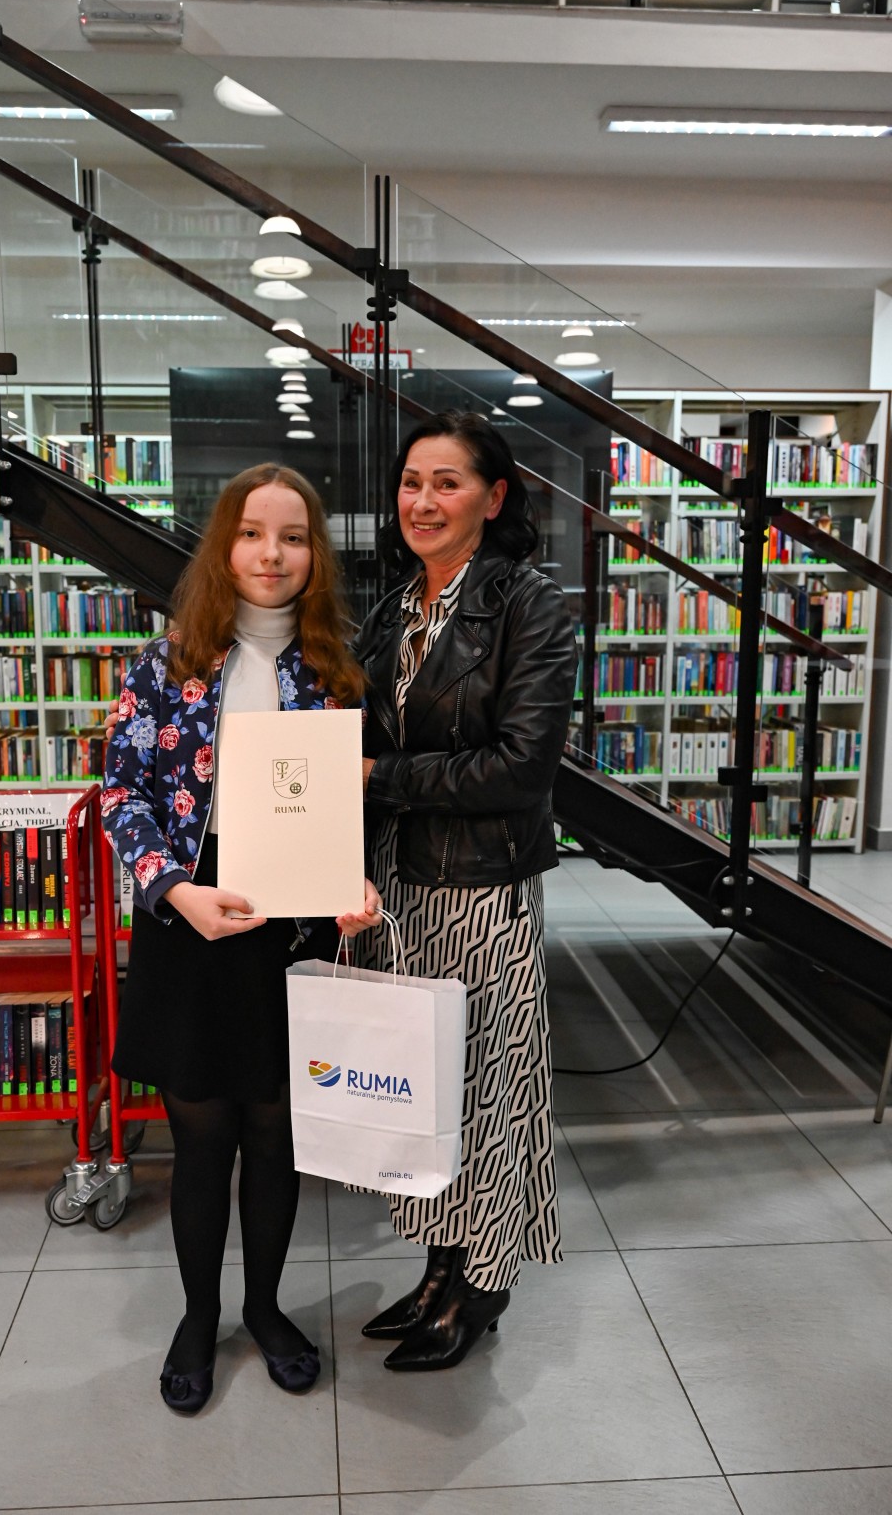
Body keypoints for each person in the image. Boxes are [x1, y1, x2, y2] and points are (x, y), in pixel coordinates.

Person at [100, 463, 381, 1415]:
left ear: (315, 554)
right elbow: (121, 792)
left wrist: (353, 884)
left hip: (288, 926)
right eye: (252, 533)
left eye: (293, 537)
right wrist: (173, 889)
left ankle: (263, 1307)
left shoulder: (337, 668)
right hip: (191, 915)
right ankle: (198, 1316)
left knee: (274, 1131)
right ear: (224, 546)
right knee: (202, 1135)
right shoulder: (167, 661)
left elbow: (353, 806)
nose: (271, 554)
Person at [354, 409, 577, 1372]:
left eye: (447, 482)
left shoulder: (531, 604)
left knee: (487, 1085)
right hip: (400, 885)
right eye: (412, 481)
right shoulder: (392, 610)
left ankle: (483, 1284)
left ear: (494, 498)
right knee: (423, 1087)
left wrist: (382, 778)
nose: (424, 500)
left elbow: (522, 768)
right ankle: (440, 1265)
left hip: (483, 888)